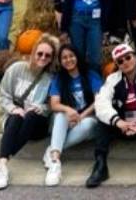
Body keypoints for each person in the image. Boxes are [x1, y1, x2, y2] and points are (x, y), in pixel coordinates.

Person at [88, 43, 136, 187]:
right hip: (122, 126)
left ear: (135, 58)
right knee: (102, 119)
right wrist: (118, 122)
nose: (125, 62)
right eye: (120, 61)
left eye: (128, 57)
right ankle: (100, 164)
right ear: (117, 65)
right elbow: (101, 103)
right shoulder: (112, 79)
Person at [0, 35, 57, 190]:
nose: (43, 58)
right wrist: (13, 108)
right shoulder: (16, 69)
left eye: (47, 55)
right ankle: (2, 165)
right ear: (33, 52)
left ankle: (0, 163)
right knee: (17, 116)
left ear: (51, 59)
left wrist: (40, 108)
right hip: (15, 121)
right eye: (40, 53)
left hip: (37, 124)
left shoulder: (50, 79)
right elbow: (3, 97)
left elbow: (52, 105)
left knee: (30, 115)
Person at [44, 44, 103, 186]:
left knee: (89, 124)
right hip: (67, 121)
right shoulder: (59, 79)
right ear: (60, 61)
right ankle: (55, 163)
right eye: (64, 58)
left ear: (77, 57)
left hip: (87, 119)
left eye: (71, 56)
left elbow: (99, 101)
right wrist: (69, 110)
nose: (68, 60)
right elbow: (54, 104)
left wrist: (81, 117)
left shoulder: (90, 75)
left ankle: (53, 149)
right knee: (60, 115)